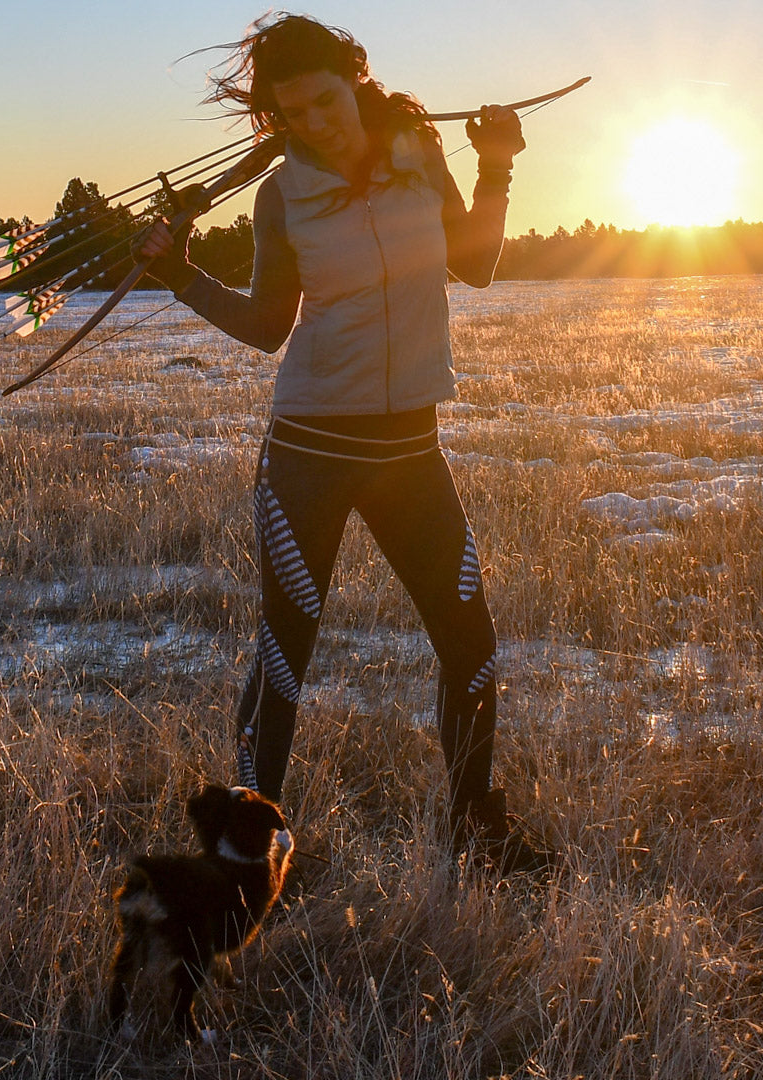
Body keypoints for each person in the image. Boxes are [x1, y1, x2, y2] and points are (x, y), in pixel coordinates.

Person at [137, 13, 552, 874]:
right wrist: (177, 272)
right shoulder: (280, 195)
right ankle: (244, 863)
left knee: (469, 641)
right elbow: (263, 325)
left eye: (325, 100)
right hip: (309, 453)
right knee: (286, 657)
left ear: (354, 79)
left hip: (413, 451)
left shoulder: (416, 152)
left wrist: (497, 166)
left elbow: (474, 264)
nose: (315, 122)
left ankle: (478, 830)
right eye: (293, 114)